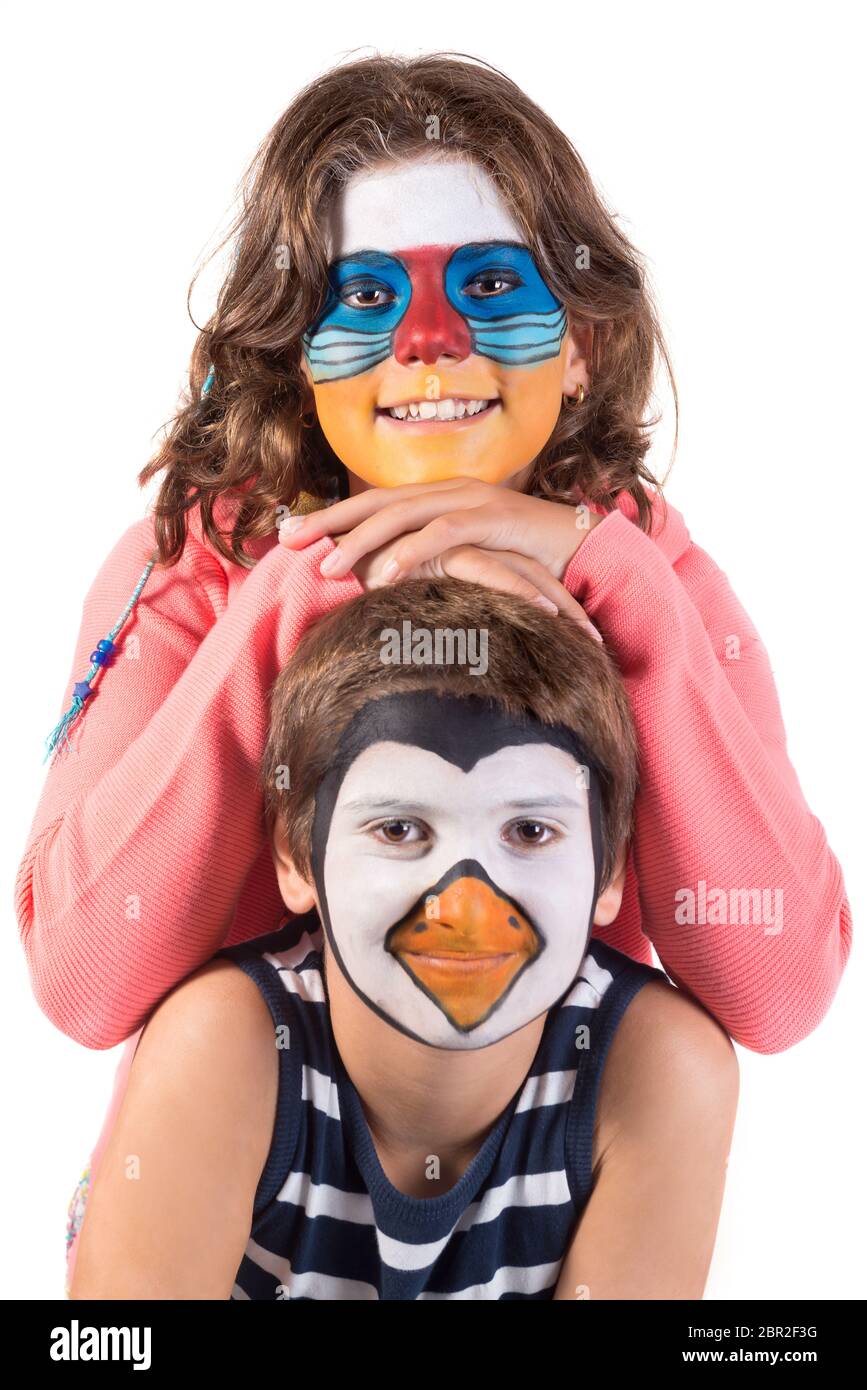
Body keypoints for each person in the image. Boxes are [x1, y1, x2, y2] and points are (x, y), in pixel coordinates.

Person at [13, 54, 847, 1290]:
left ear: (584, 341)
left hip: (543, 1187)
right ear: (297, 350)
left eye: (494, 285)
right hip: (240, 1190)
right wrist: (286, 603)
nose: (429, 345)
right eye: (362, 299)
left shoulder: (647, 564)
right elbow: (83, 979)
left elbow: (775, 987)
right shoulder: (201, 558)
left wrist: (630, 601)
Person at [69, 580, 739, 1301]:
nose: (465, 907)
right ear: (297, 859)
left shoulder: (657, 1067)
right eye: (398, 830)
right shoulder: (230, 1045)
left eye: (530, 832)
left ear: (608, 871)